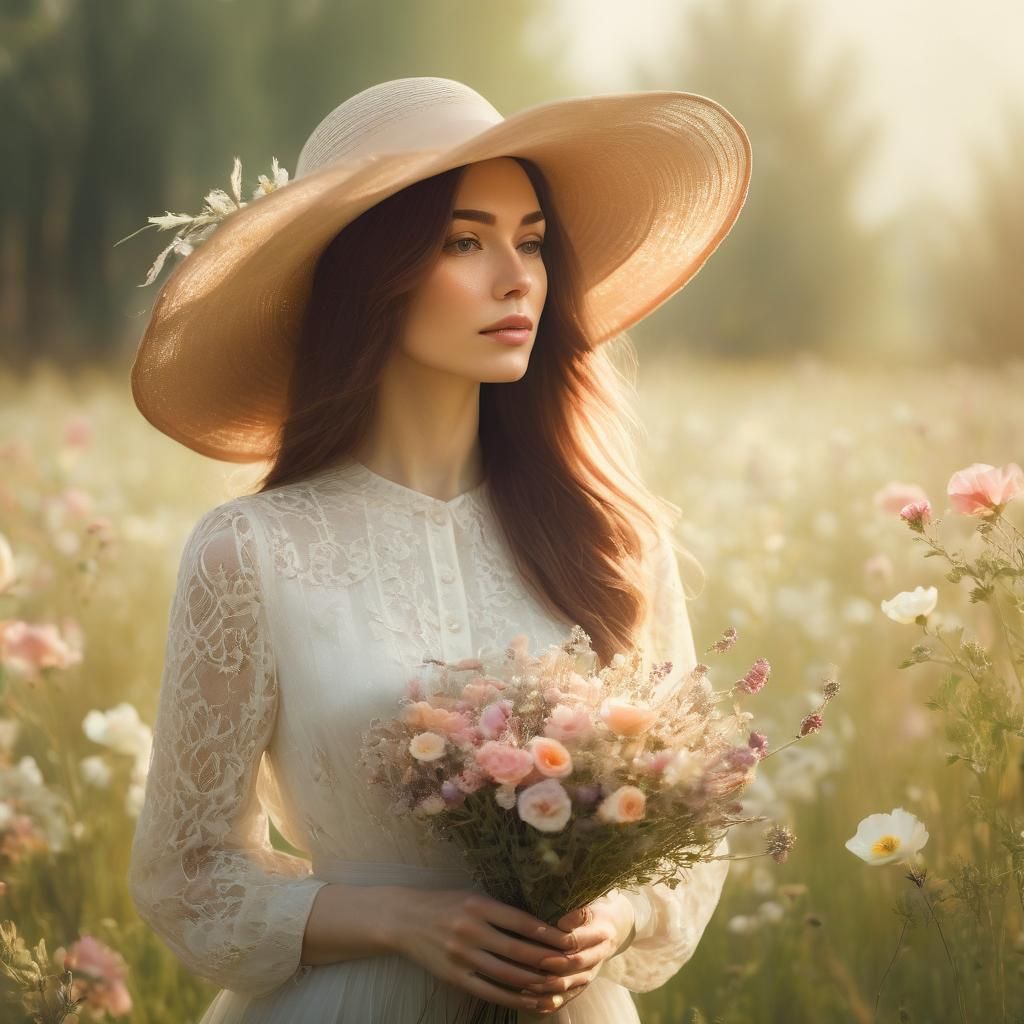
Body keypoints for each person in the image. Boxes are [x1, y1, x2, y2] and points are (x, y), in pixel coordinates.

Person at [125, 76, 752, 1023]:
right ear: (370, 276)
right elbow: (186, 874)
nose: (518, 277)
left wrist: (615, 917)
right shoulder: (251, 552)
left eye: (531, 241)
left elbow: (697, 827)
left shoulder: (614, 536)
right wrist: (400, 921)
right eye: (466, 241)